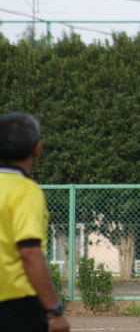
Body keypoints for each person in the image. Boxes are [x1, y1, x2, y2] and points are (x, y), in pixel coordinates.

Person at [0, 112, 70, 332]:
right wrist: (54, 311)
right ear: (37, 149)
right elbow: (29, 252)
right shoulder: (25, 191)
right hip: (16, 305)